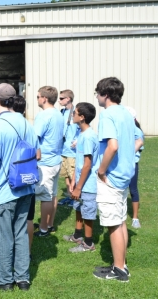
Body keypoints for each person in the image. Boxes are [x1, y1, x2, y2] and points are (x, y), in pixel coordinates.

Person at [0, 84, 38, 291]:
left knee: (2, 238)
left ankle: (4, 280)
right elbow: (35, 153)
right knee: (21, 233)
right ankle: (23, 279)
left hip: (3, 192)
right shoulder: (27, 123)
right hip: (26, 188)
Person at [92, 77, 136, 282]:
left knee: (113, 223)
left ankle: (119, 270)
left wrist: (101, 171)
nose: (97, 97)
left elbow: (113, 146)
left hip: (112, 176)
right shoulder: (126, 113)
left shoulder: (107, 114)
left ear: (105, 95)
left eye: (97, 93)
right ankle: (121, 265)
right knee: (120, 220)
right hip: (125, 173)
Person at [62, 102, 99, 252]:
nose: (72, 115)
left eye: (75, 113)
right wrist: (73, 182)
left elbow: (87, 165)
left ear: (82, 117)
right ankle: (78, 235)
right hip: (80, 181)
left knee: (87, 212)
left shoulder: (89, 137)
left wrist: (78, 187)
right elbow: (79, 161)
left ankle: (88, 244)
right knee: (78, 207)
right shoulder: (81, 134)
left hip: (88, 184)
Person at [33, 86, 64, 237]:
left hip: (45, 161)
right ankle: (49, 224)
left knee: (45, 196)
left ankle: (44, 229)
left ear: (44, 98)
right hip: (56, 160)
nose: (37, 99)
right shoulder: (58, 114)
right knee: (52, 195)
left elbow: (34, 137)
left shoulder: (44, 115)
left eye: (38, 96)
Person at [13, 96, 38, 258]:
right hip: (29, 179)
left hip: (14, 180)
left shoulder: (7, 127)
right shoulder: (30, 127)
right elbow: (39, 154)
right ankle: (27, 252)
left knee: (12, 219)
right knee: (28, 218)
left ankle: (14, 252)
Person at [58, 90, 80, 207]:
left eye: (61, 98)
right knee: (66, 175)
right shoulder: (62, 112)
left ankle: (76, 198)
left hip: (72, 152)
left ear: (68, 99)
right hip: (62, 150)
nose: (59, 100)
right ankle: (69, 196)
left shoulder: (76, 112)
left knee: (73, 176)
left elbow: (84, 128)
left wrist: (78, 140)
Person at [126, 106, 144, 229]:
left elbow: (138, 147)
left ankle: (135, 218)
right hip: (121, 164)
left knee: (133, 190)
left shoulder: (137, 131)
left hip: (131, 164)